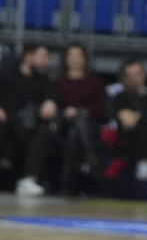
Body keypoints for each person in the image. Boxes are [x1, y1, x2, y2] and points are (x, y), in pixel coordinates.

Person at [0, 44, 58, 196]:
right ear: (28, 57)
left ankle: (28, 179)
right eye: (42, 56)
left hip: (29, 126)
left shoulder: (44, 79)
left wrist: (50, 102)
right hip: (7, 121)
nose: (45, 61)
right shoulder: (7, 74)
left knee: (44, 131)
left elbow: (52, 95)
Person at [53, 42, 107, 192]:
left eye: (78, 55)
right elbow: (55, 105)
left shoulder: (95, 81)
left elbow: (100, 108)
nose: (75, 59)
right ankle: (91, 156)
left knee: (75, 132)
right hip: (64, 124)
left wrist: (81, 112)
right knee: (73, 128)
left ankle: (65, 183)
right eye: (71, 55)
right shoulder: (59, 82)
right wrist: (66, 112)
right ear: (65, 59)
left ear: (85, 59)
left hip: (89, 125)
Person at [110, 58, 147, 181]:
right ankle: (143, 161)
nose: (135, 78)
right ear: (123, 78)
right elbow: (128, 122)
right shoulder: (120, 98)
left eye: (138, 74)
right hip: (129, 144)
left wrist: (138, 114)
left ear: (145, 75)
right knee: (143, 122)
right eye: (130, 75)